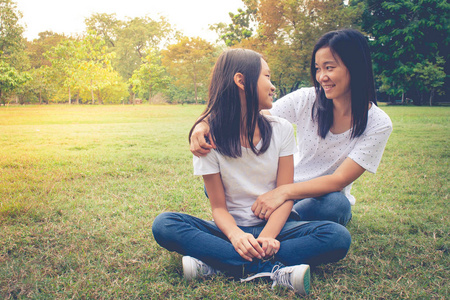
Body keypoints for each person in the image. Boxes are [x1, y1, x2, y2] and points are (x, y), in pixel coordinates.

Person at [152, 49, 351, 296]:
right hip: (230, 231)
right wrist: (236, 236)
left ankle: (217, 264)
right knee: (165, 224)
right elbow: (218, 209)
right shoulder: (208, 139)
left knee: (337, 236)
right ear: (241, 80)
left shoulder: (282, 130)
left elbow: (284, 194)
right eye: (267, 76)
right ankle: (274, 270)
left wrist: (268, 236)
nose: (273, 86)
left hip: (277, 228)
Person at [190, 29, 393, 227]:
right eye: (318, 68)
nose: (321, 76)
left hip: (317, 198)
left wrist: (283, 193)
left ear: (355, 67)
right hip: (280, 185)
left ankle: (271, 223)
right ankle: (279, 225)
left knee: (336, 206)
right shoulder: (306, 98)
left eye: (329, 67)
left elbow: (338, 180)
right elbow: (253, 116)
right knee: (222, 184)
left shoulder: (378, 123)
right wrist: (204, 122)